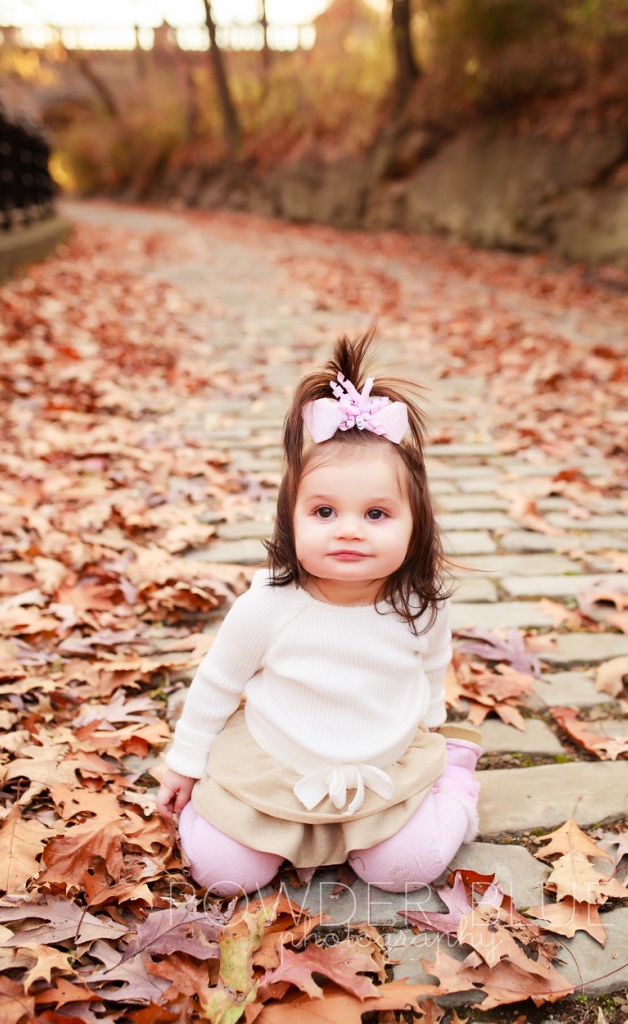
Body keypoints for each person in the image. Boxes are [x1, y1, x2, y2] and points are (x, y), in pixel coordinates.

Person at [156, 332, 481, 897]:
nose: (349, 528)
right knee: (225, 874)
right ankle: (237, 830)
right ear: (292, 518)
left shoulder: (419, 608)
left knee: (405, 869)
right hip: (275, 768)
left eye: (377, 513)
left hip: (383, 771)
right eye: (325, 510)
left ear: (416, 524)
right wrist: (184, 764)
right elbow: (216, 683)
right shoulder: (270, 606)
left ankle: (455, 780)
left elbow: (432, 667)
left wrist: (429, 729)